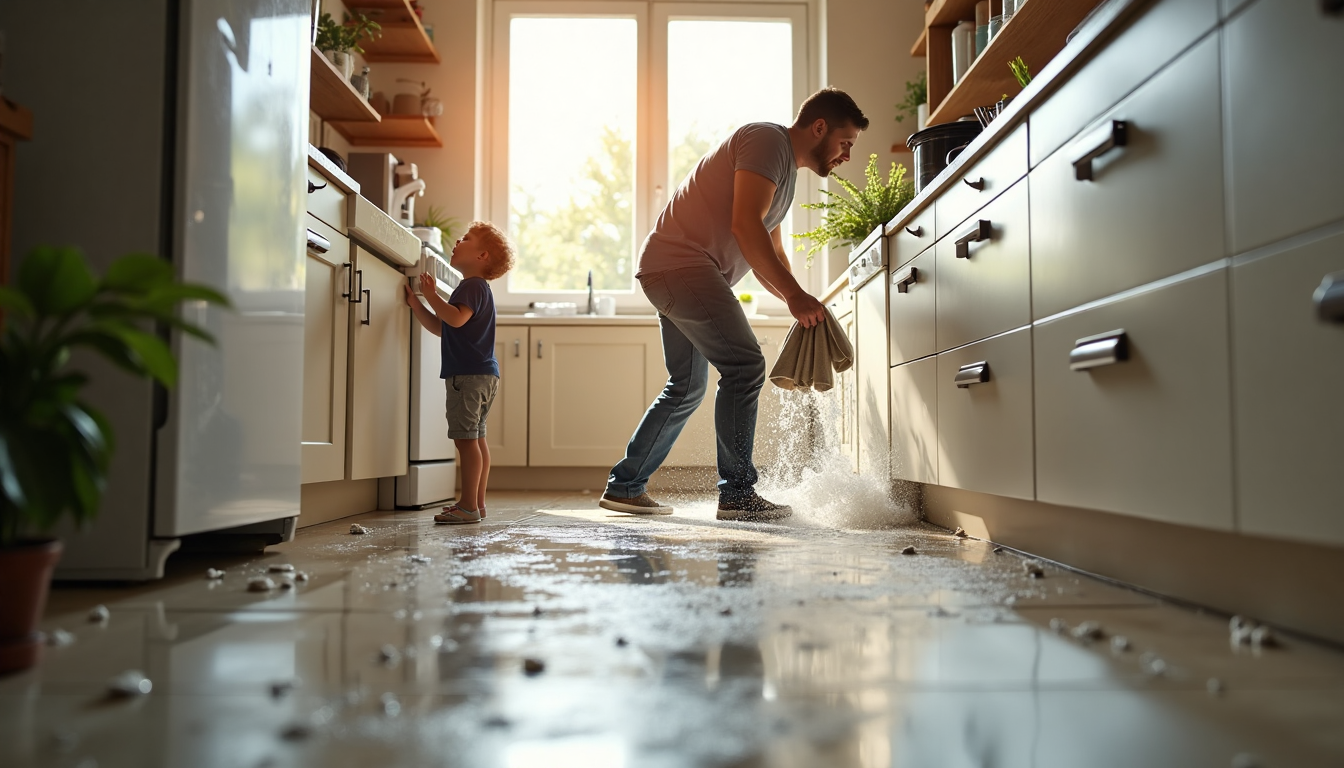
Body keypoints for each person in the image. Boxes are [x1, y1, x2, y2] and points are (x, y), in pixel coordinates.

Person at [600, 88, 868, 522]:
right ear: (820, 128)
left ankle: (625, 486)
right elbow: (745, 226)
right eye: (846, 143)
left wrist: (798, 302)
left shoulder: (784, 174)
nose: (846, 155)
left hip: (672, 270)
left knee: (686, 386)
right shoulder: (767, 141)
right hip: (682, 266)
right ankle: (738, 495)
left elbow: (771, 254)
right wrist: (796, 297)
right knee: (745, 367)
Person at [405, 222, 516, 525]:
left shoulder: (470, 286)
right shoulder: (479, 289)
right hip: (483, 375)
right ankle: (476, 504)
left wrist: (430, 294)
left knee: (467, 441)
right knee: (477, 439)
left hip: (467, 377)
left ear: (482, 255)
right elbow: (445, 328)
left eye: (466, 239)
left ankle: (467, 505)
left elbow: (453, 318)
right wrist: (418, 305)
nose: (458, 240)